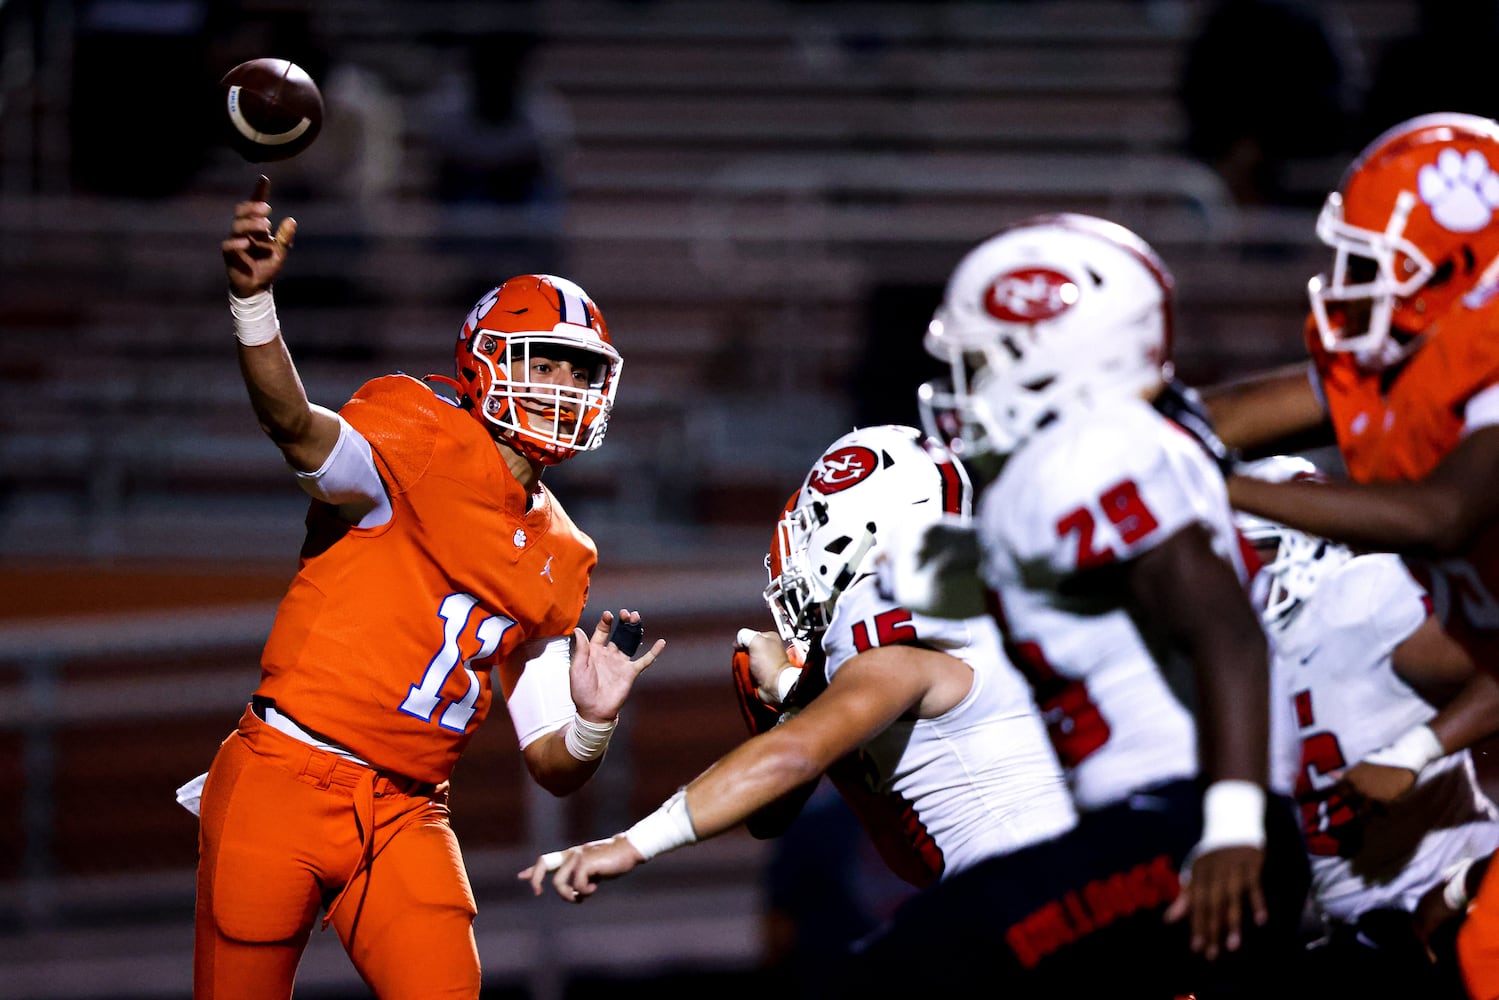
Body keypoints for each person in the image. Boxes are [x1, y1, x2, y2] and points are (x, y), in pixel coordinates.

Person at [185, 175, 666, 1000]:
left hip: (409, 810)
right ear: (484, 363)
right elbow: (295, 429)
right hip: (285, 780)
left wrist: (593, 722)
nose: (560, 387)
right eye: (542, 363)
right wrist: (253, 306)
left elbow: (552, 762)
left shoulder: (566, 551)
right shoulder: (416, 427)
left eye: (578, 371)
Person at [522, 423, 1165, 996]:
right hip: (1099, 905)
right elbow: (900, 844)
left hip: (1048, 920)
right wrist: (806, 697)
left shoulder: (895, 639)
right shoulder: (981, 606)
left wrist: (630, 844)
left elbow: (791, 760)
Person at [900, 213, 1310, 996]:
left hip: (1188, 831)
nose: (964, 388)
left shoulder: (1088, 452)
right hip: (1164, 826)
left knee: (913, 966)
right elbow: (964, 578)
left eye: (985, 361)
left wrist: (1230, 827)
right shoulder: (1089, 460)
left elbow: (1223, 629)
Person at [1198, 112, 1499, 1000]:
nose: (1344, 287)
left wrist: (1212, 488)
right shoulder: (1430, 364)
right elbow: (1235, 414)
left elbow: (1445, 516)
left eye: (1373, 265)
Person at [1237, 455, 1499, 997]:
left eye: (1245, 553)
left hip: (1455, 897)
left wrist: (1415, 750)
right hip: (1359, 940)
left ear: (1301, 543)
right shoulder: (1233, 665)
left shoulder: (1362, 600)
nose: (1231, 574)